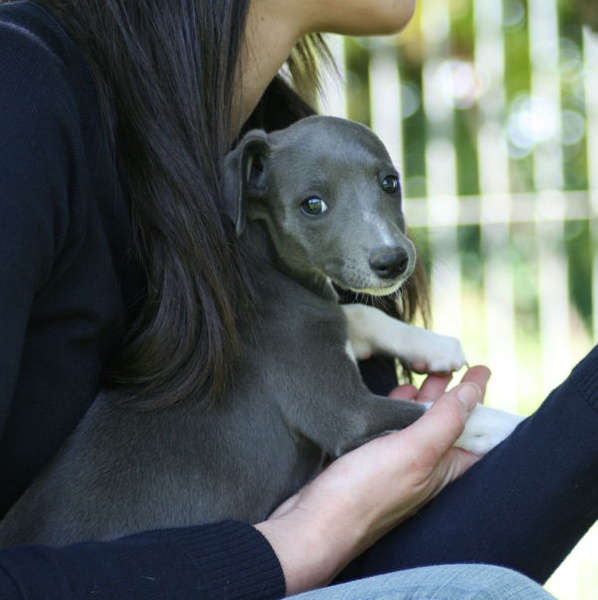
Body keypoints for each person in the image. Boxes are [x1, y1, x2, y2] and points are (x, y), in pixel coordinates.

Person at [0, 0, 594, 597]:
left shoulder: (280, 147)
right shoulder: (23, 81)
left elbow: (414, 568)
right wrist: (302, 538)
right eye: (314, 206)